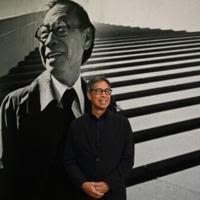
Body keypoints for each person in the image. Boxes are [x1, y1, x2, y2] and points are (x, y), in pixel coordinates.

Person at [0, 0, 95, 199]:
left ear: (86, 38)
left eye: (61, 28)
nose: (49, 41)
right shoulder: (14, 106)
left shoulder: (107, 109)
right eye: (44, 33)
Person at [64, 76, 134, 200]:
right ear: (89, 95)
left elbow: (128, 160)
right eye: (99, 91)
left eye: (107, 91)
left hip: (114, 194)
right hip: (83, 194)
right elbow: (69, 160)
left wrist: (108, 184)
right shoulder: (76, 125)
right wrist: (83, 184)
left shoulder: (123, 123)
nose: (104, 95)